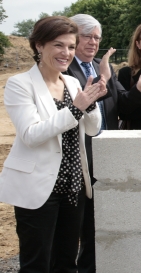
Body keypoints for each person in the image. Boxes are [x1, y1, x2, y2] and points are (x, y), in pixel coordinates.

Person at [0, 16, 108, 272]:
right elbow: (31, 134)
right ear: (39, 45)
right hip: (39, 189)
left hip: (73, 186)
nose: (66, 53)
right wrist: (76, 108)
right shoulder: (19, 84)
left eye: (71, 46)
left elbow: (93, 128)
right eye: (59, 45)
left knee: (66, 263)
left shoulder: (72, 82)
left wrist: (90, 105)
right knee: (37, 264)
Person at [66, 14, 141, 273]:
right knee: (73, 227)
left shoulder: (102, 66)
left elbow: (123, 108)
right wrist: (102, 81)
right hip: (77, 157)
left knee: (97, 224)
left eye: (97, 38)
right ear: (73, 36)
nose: (93, 42)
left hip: (106, 156)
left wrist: (139, 87)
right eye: (87, 36)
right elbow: (74, 109)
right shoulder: (64, 69)